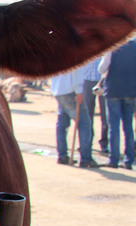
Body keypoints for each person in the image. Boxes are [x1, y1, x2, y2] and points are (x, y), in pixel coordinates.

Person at [97, 38, 136, 169]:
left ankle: (114, 160)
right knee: (128, 126)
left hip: (113, 89)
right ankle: (128, 160)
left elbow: (102, 69)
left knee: (114, 126)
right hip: (130, 90)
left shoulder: (113, 45)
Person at [51, 63, 98, 167]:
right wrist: (79, 91)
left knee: (62, 124)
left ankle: (62, 155)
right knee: (84, 123)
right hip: (71, 90)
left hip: (58, 90)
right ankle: (86, 158)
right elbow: (76, 70)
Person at [81, 57, 109, 154]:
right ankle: (87, 142)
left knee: (105, 115)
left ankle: (104, 143)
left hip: (103, 82)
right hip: (87, 80)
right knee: (87, 114)